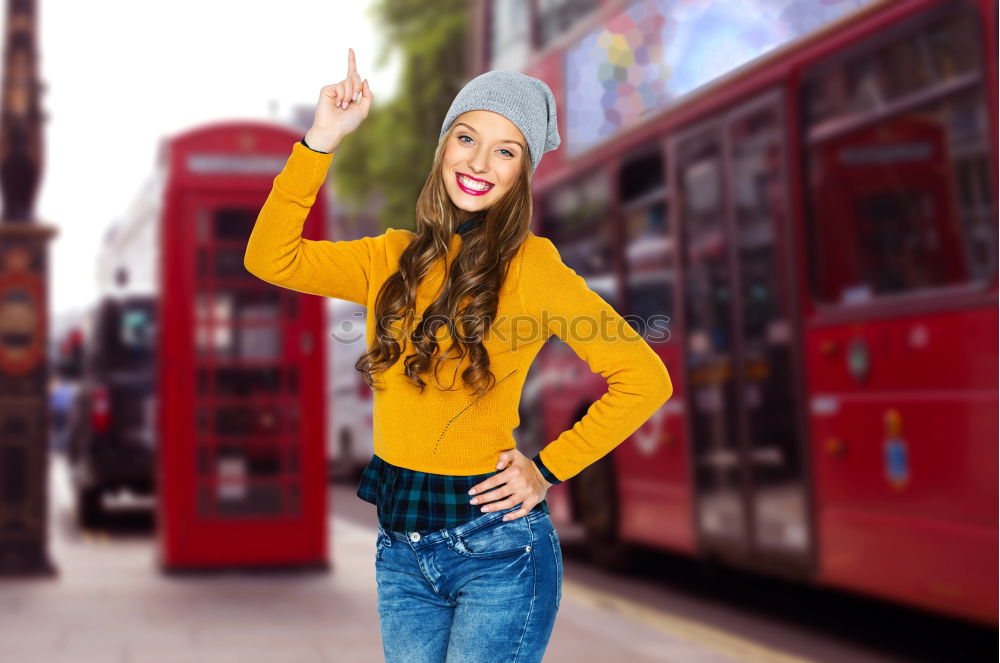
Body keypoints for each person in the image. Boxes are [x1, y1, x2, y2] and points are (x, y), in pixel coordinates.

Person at [244, 48, 674, 663]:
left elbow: (644, 377)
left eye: (505, 150)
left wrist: (547, 469)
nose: (478, 163)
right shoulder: (387, 258)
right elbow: (269, 257)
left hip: (498, 551)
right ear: (443, 146)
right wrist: (321, 140)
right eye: (466, 137)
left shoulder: (535, 270)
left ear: (523, 171)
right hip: (400, 548)